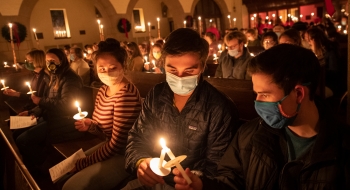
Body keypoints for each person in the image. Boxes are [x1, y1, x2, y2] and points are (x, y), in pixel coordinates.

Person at [173, 44, 350, 189]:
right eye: (256, 94)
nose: (257, 103)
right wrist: (203, 186)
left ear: (298, 94)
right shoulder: (250, 135)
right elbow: (230, 182)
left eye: (264, 95)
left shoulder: (341, 149)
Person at [123, 28, 239, 189]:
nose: (179, 78)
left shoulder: (218, 107)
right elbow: (137, 137)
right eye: (172, 70)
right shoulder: (157, 95)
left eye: (189, 71)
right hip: (156, 180)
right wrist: (141, 162)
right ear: (163, 64)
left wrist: (198, 182)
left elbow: (219, 168)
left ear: (203, 66)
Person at [60, 38, 142, 190]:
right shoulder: (104, 90)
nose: (107, 73)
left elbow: (116, 145)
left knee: (71, 186)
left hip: (125, 154)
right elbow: (102, 130)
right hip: (109, 146)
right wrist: (90, 125)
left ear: (123, 66)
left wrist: (83, 164)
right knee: (66, 169)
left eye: (112, 67)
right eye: (102, 68)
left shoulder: (126, 95)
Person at [15, 48, 84, 171]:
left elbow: (66, 105)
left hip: (63, 120)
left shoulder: (70, 78)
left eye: (52, 60)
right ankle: (32, 167)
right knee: (16, 131)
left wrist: (40, 101)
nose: (49, 63)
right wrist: (33, 112)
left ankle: (44, 167)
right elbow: (48, 98)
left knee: (23, 140)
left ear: (61, 60)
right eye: (47, 61)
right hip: (51, 116)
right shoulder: (54, 76)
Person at [3, 49, 50, 113]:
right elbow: (31, 94)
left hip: (40, 107)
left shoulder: (46, 77)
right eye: (26, 60)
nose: (26, 63)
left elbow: (40, 97)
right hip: (33, 103)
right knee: (11, 102)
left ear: (37, 61)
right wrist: (16, 93)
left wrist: (30, 111)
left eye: (29, 60)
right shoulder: (35, 75)